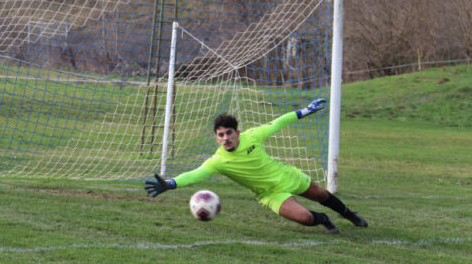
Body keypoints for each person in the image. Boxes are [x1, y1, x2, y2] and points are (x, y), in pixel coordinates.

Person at [144, 99, 368, 234]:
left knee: (321, 194)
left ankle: (349, 215)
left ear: (237, 133)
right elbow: (195, 174)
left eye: (229, 133)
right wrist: (171, 183)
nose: (225, 138)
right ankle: (324, 220)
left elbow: (279, 122)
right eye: (220, 135)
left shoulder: (252, 136)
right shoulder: (218, 161)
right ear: (216, 138)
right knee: (306, 219)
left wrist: (306, 111)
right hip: (269, 194)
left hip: (286, 175)